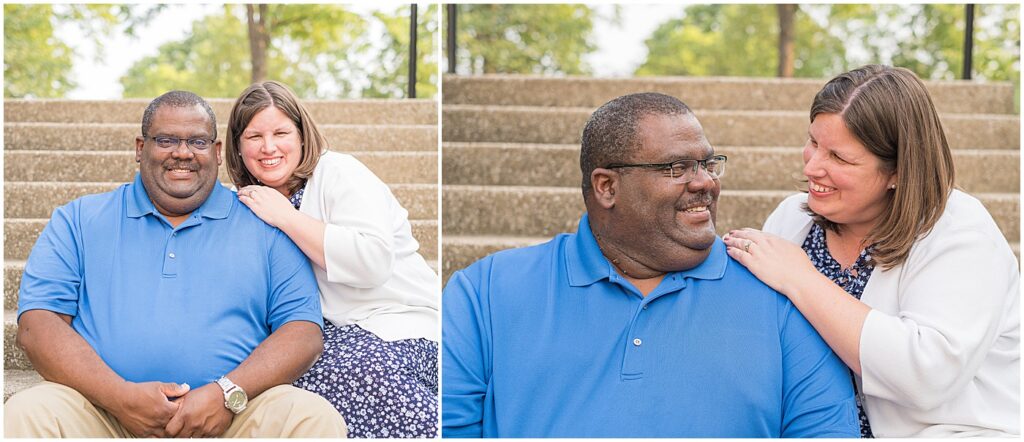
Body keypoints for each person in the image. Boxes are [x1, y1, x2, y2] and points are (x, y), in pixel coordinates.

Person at [441, 92, 860, 438]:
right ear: (607, 187)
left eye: (708, 164)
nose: (704, 182)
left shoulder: (783, 297)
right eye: (676, 168)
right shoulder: (486, 291)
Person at [5, 91, 347, 438]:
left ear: (216, 152)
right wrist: (120, 397)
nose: (182, 153)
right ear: (141, 148)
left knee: (309, 417)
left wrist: (226, 394)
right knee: (27, 413)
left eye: (197, 141)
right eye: (166, 140)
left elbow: (303, 332)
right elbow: (37, 325)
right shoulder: (78, 220)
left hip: (233, 420)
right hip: (103, 415)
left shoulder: (267, 223)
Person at [723, 65, 1020, 437]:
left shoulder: (961, 232)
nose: (813, 166)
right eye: (813, 142)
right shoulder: (791, 219)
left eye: (839, 158)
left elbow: (926, 375)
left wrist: (801, 279)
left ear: (898, 171)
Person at [224, 81, 439, 438]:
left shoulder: (339, 172)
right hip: (324, 336)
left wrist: (287, 217)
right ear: (237, 146)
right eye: (254, 136)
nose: (269, 147)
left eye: (281, 132)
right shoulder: (243, 202)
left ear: (302, 135)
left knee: (358, 375)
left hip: (397, 321)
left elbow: (372, 261)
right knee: (273, 384)